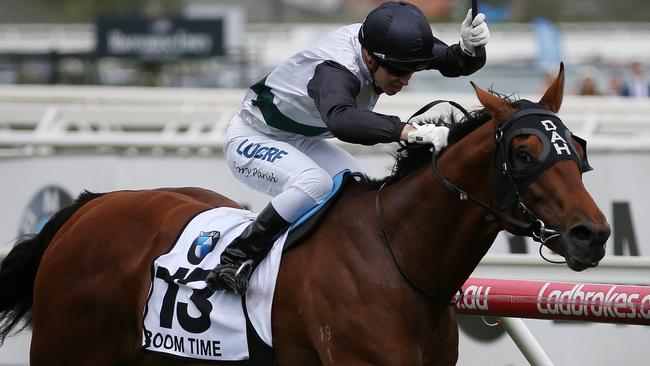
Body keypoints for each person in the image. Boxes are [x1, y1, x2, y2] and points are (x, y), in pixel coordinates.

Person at [205, 1, 490, 294]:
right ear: (368, 57)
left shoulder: (391, 47)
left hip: (300, 138)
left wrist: (471, 48)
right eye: (397, 71)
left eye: (413, 70)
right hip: (253, 136)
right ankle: (235, 259)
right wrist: (409, 132)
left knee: (359, 187)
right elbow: (342, 121)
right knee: (313, 184)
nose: (404, 80)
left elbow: (457, 63)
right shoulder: (336, 68)